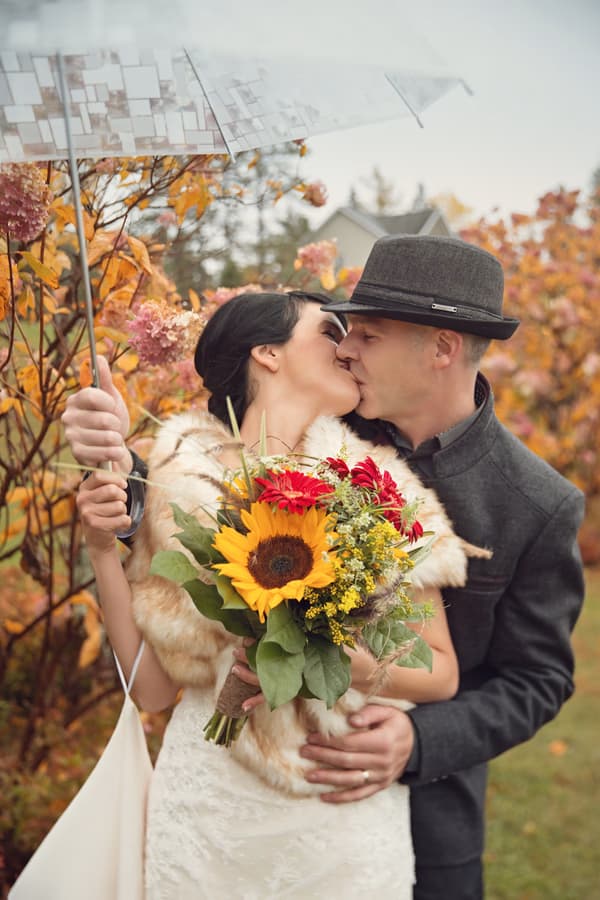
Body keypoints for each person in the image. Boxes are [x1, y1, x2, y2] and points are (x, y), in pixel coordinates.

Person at [64, 290, 479, 898]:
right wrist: (103, 549)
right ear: (268, 353)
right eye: (329, 331)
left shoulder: (382, 488)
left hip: (337, 807)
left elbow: (440, 674)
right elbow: (150, 690)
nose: (348, 348)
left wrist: (319, 655)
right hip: (212, 809)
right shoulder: (178, 484)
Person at [294, 235, 585, 899]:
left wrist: (420, 738)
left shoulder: (538, 503)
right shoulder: (316, 435)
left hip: (432, 824)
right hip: (287, 800)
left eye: (369, 335)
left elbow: (538, 679)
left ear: (442, 349)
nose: (345, 350)